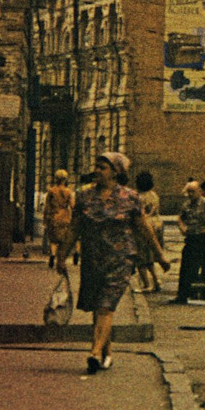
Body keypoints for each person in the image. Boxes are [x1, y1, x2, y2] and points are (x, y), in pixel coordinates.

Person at [62, 152, 161, 373]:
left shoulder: (130, 197)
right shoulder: (84, 197)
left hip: (121, 260)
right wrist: (61, 256)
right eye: (96, 166)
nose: (97, 170)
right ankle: (106, 353)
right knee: (97, 308)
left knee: (106, 306)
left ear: (116, 172)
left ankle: (94, 353)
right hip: (92, 259)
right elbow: (74, 228)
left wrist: (160, 254)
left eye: (103, 167)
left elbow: (143, 227)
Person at [132, 170, 169, 293]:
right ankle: (156, 280)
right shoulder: (154, 195)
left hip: (145, 226)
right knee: (150, 257)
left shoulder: (139, 198)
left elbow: (140, 215)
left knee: (141, 258)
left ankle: (146, 284)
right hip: (157, 224)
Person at [44, 170, 76, 276]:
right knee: (63, 239)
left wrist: (46, 218)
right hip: (65, 217)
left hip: (54, 216)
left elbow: (47, 206)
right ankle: (60, 259)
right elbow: (72, 205)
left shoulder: (51, 191)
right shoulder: (68, 192)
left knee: (53, 239)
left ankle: (52, 255)